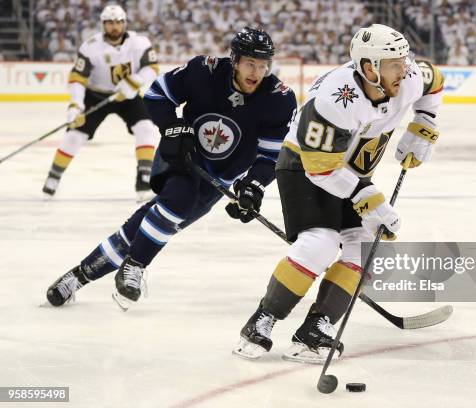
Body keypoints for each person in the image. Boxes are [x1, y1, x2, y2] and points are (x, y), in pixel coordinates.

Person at [233, 24, 444, 363]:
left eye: (404, 61)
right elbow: (321, 168)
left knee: (362, 248)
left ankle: (316, 329)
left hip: (351, 173)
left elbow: (435, 81)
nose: (404, 70)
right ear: (369, 67)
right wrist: (370, 200)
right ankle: (262, 321)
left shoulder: (408, 78)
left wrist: (425, 124)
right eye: (394, 63)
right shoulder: (335, 97)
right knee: (320, 242)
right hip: (305, 166)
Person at [45, 27, 297, 310]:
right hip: (180, 156)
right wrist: (172, 127)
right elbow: (155, 95)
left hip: (217, 182)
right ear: (235, 59)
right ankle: (136, 266)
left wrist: (253, 186)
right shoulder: (204, 71)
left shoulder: (279, 99)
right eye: (250, 63)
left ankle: (77, 277)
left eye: (263, 65)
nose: (257, 72)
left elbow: (269, 156)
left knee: (145, 228)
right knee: (178, 202)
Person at [42, 4, 159, 201]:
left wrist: (134, 82)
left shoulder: (139, 42)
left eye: (118, 22)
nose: (114, 26)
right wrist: (76, 105)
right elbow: (77, 78)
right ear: (103, 24)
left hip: (127, 96)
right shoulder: (90, 47)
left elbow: (152, 68)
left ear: (124, 23)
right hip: (96, 95)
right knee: (74, 136)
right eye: (110, 23)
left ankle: (144, 178)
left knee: (146, 128)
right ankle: (53, 177)